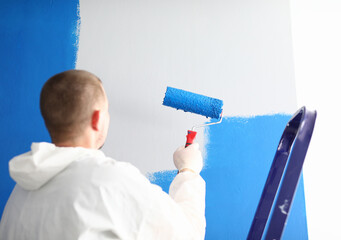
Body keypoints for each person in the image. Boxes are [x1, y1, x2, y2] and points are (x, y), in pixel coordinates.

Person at [0, 70, 206, 240]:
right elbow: (188, 235)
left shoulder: (20, 194)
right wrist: (188, 171)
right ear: (97, 118)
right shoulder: (111, 182)